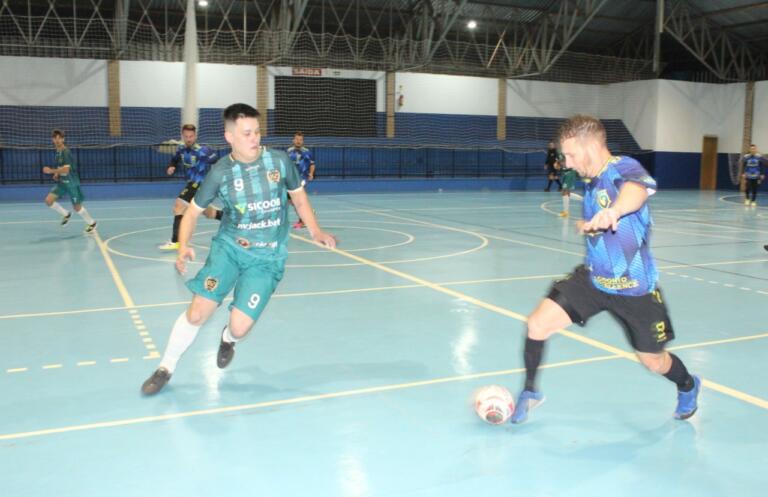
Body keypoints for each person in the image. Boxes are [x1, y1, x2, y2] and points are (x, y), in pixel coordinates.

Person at [510, 114, 701, 424]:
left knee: (654, 361)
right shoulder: (592, 180)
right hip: (594, 279)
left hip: (634, 289)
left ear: (590, 146)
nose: (567, 163)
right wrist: (592, 226)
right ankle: (530, 392)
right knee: (537, 324)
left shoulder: (622, 167)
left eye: (571, 154)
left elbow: (635, 191)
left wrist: (615, 210)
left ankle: (688, 384)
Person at [141, 103, 336, 395]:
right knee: (197, 313)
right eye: (247, 133)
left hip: (267, 257)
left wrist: (315, 230)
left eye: (257, 131)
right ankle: (165, 367)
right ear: (230, 136)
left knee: (240, 327)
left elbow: (299, 198)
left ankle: (228, 339)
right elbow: (192, 213)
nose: (255, 138)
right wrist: (184, 246)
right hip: (230, 249)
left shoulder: (280, 162)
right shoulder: (221, 173)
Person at [159, 124, 222, 250]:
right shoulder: (181, 148)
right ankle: (231, 218)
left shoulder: (203, 150)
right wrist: (172, 166)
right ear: (182, 136)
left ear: (195, 136)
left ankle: (176, 241)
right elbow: (175, 159)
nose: (189, 139)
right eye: (186, 136)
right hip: (192, 183)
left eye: (191, 136)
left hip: (200, 183)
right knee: (207, 212)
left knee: (179, 205)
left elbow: (219, 162)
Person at [42, 129, 97, 234]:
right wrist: (57, 174)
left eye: (60, 138)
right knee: (48, 201)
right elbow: (62, 167)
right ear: (52, 140)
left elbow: (66, 170)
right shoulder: (58, 152)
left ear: (63, 139)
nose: (57, 140)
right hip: (63, 182)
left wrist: (50, 170)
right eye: (55, 138)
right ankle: (66, 214)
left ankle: (92, 223)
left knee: (77, 208)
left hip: (72, 183)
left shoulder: (65, 152)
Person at [286, 131, 316, 229]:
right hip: (291, 178)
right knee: (289, 200)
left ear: (303, 141)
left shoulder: (307, 152)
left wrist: (311, 174)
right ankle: (308, 212)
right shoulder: (289, 151)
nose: (298, 141)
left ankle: (303, 220)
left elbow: (312, 164)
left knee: (296, 199)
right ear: (293, 140)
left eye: (300, 140)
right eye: (297, 139)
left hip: (302, 179)